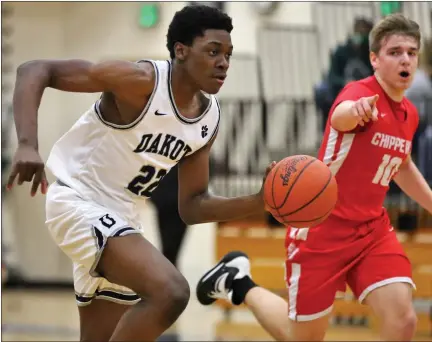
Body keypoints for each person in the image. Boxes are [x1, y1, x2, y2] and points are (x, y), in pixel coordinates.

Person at [6, 5, 274, 341]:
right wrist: (28, 144)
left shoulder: (208, 119)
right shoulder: (140, 81)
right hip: (77, 202)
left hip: (123, 219)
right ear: (181, 50)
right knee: (171, 291)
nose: (223, 63)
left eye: (229, 54)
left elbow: (193, 205)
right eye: (213, 51)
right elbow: (35, 69)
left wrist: (260, 201)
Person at [196, 13, 432, 341]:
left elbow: (402, 165)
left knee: (403, 319)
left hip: (370, 231)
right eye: (395, 52)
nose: (405, 58)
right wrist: (356, 112)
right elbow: (341, 116)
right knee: (302, 338)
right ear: (374, 59)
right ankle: (239, 282)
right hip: (322, 230)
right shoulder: (356, 95)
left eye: (411, 52)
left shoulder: (408, 113)